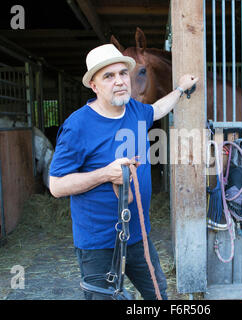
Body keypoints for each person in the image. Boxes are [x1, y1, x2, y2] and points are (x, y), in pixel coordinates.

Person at [48, 43, 198, 300]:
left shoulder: (136, 111)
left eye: (122, 73)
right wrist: (105, 174)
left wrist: (181, 89)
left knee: (158, 294)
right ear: (94, 86)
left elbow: (159, 108)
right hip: (98, 243)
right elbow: (56, 186)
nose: (119, 81)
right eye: (108, 76)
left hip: (138, 235)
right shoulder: (78, 126)